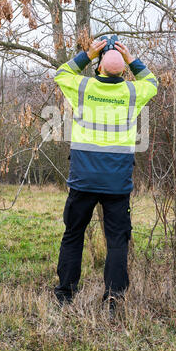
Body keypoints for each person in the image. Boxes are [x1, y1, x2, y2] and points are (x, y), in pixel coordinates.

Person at [53, 39, 158, 312]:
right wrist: (131, 57)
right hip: (117, 183)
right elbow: (152, 82)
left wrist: (88, 54)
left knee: (73, 235)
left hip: (83, 180)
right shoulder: (132, 93)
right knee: (116, 242)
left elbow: (62, 73)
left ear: (98, 68)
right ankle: (113, 301)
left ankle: (65, 295)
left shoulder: (83, 87)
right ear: (123, 73)